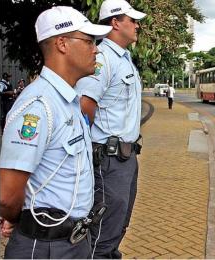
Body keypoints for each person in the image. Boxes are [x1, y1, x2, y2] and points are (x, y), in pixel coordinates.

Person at [0, 6, 111, 259]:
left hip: (71, 241)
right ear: (62, 43)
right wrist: (25, 220)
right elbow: (7, 194)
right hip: (46, 245)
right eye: (89, 41)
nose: (97, 49)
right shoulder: (39, 106)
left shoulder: (67, 101)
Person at [75, 0, 146, 258]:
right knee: (103, 234)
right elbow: (84, 107)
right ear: (115, 23)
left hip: (124, 159)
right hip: (108, 160)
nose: (137, 25)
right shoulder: (104, 59)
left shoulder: (125, 60)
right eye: (132, 20)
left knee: (117, 227)